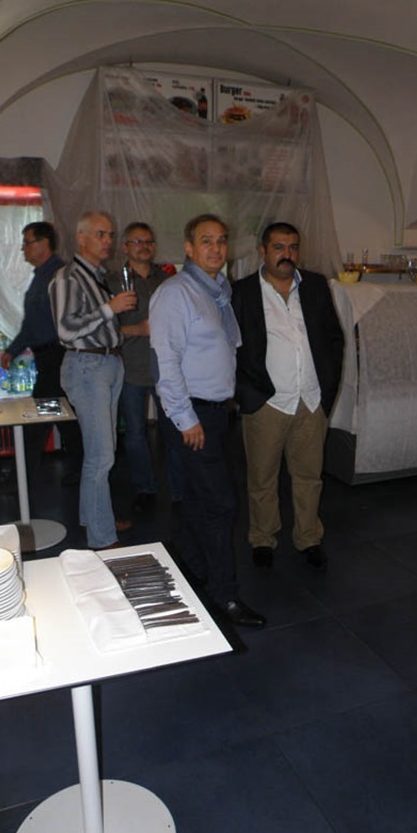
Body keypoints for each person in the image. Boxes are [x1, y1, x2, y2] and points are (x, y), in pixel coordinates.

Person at [150, 213, 266, 628]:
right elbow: (165, 363)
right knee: (221, 505)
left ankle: (190, 567)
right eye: (206, 241)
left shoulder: (217, 291)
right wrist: (186, 419)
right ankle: (225, 596)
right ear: (188, 247)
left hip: (215, 413)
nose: (216, 248)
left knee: (199, 499)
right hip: (192, 414)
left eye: (221, 240)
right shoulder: (176, 293)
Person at [231, 222, 344, 570]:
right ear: (263, 251)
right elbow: (231, 347)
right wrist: (246, 393)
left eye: (293, 247)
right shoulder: (243, 291)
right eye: (279, 247)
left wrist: (327, 389)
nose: (287, 254)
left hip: (310, 399)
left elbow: (334, 339)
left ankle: (309, 537)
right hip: (267, 402)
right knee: (262, 478)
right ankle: (262, 538)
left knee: (309, 477)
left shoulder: (315, 286)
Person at [49, 211, 137, 550]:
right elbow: (65, 330)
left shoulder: (96, 276)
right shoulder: (68, 277)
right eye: (100, 234)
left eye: (110, 234)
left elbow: (100, 325)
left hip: (106, 363)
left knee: (102, 452)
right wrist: (110, 309)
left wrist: (116, 323)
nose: (108, 241)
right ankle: (102, 537)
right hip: (87, 365)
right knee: (102, 456)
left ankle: (95, 516)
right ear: (81, 237)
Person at [1, 221, 82, 485]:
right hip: (48, 359)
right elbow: (31, 324)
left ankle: (20, 480)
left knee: (42, 418)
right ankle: (80, 470)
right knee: (65, 418)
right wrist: (12, 350)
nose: (23, 248)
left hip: (59, 356)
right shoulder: (40, 276)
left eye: (27, 242)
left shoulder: (60, 276)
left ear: (44, 244)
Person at [110, 222, 183, 511]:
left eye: (149, 241)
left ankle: (180, 490)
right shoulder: (112, 282)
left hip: (165, 367)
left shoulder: (165, 280)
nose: (144, 247)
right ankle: (145, 488)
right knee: (136, 434)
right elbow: (102, 330)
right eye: (137, 241)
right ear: (125, 246)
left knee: (173, 429)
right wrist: (136, 329)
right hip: (129, 367)